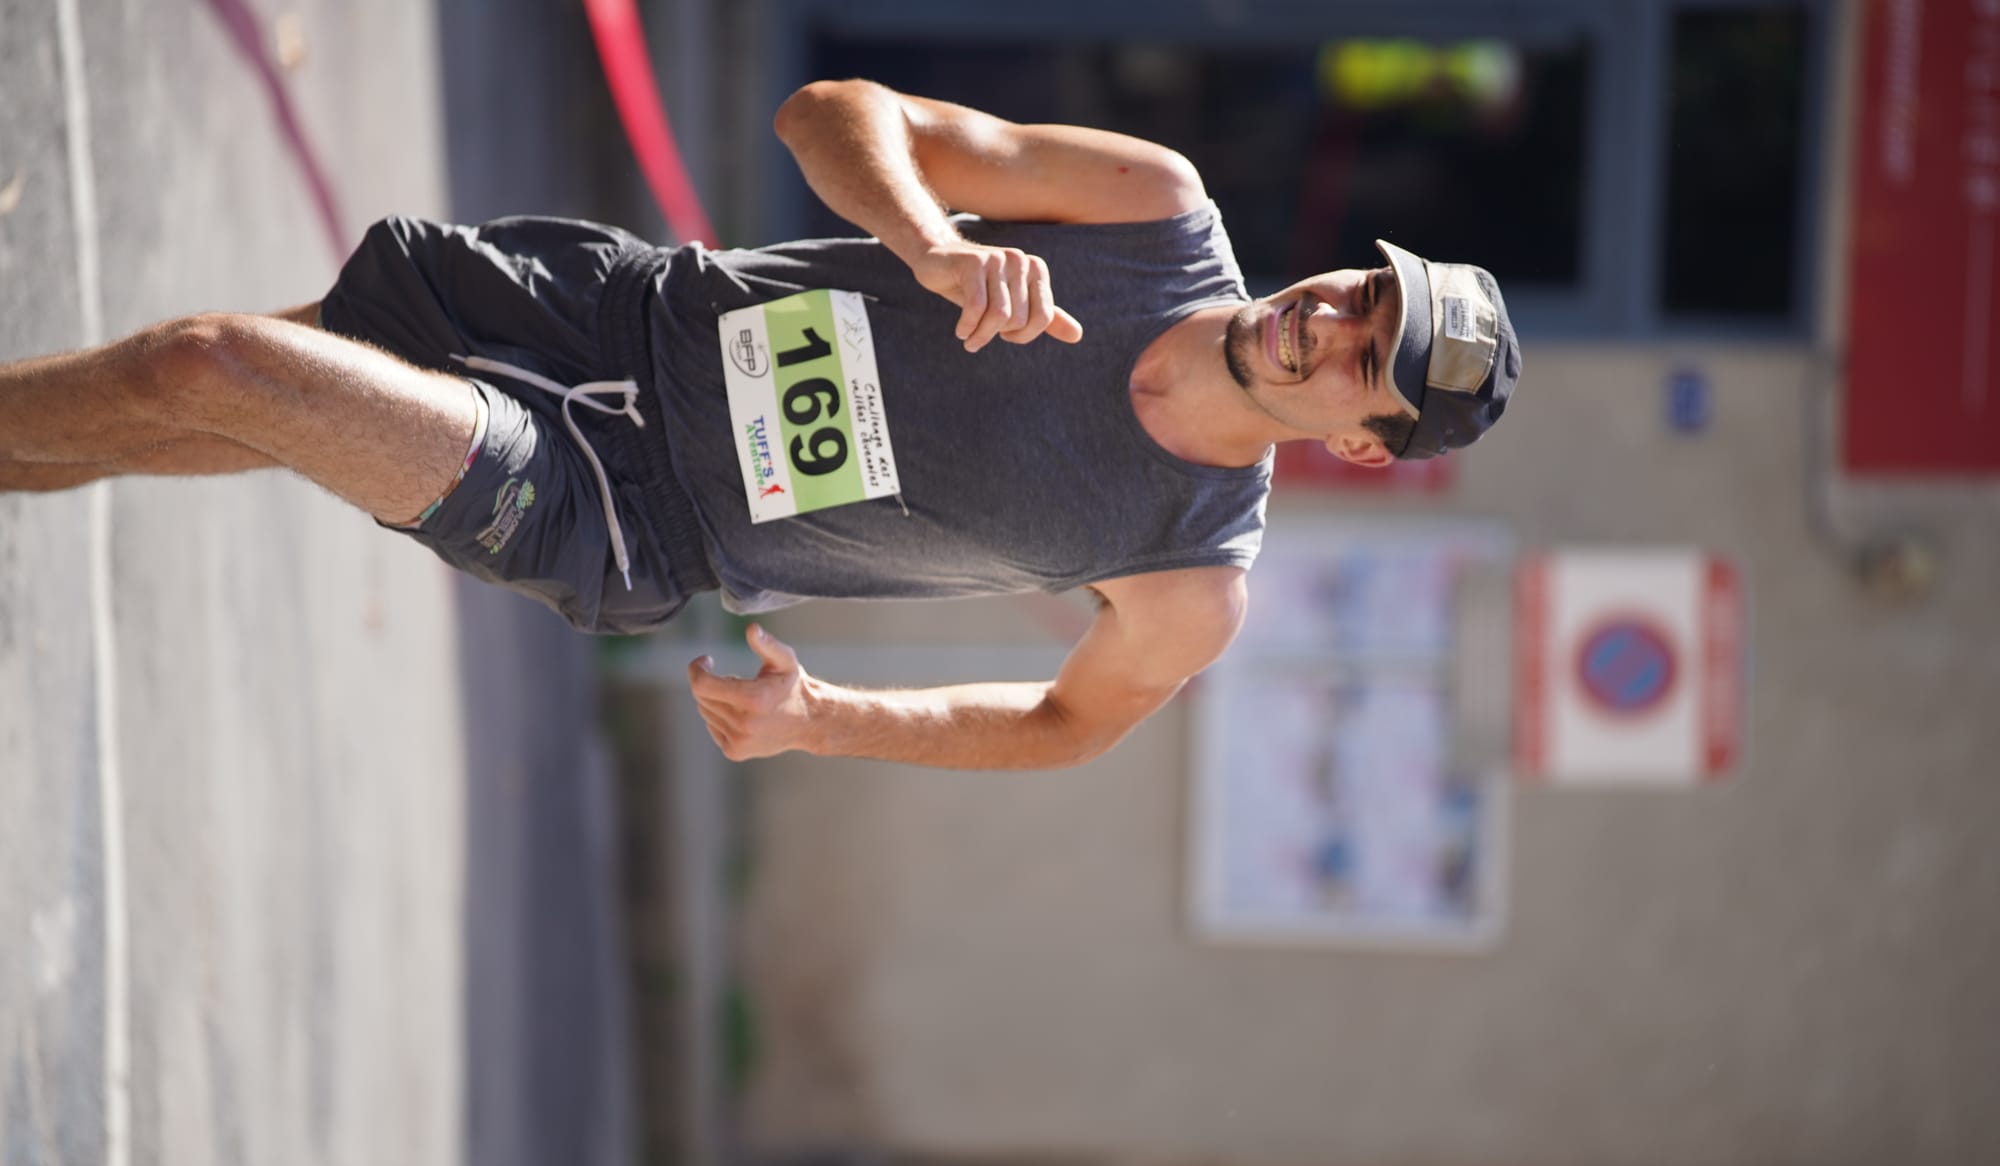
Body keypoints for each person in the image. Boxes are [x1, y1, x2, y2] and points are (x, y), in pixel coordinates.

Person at [0, 79, 1519, 770]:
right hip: (614, 311)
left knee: (218, 369)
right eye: (1352, 293)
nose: (1322, 323)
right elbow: (828, 117)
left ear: (1365, 444)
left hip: (635, 513)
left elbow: (1067, 724)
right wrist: (929, 238)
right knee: (211, 395)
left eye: (1359, 359)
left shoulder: (1194, 576)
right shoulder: (1156, 208)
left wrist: (830, 718)